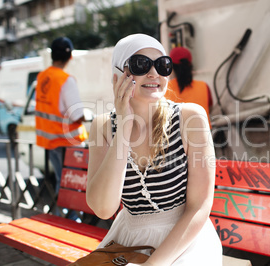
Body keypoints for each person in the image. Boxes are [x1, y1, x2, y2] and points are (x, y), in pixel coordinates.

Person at [86, 34, 222, 265]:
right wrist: (125, 125)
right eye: (141, 64)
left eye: (162, 65)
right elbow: (104, 209)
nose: (154, 74)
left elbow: (199, 207)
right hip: (129, 237)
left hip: (185, 241)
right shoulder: (103, 126)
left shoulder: (190, 117)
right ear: (118, 75)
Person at [35, 37, 87, 194]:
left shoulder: (42, 76)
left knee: (61, 181)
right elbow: (77, 114)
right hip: (69, 143)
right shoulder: (65, 80)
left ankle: (62, 215)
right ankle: (68, 217)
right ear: (70, 56)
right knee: (72, 186)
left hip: (51, 142)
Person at [165, 46, 213, 127]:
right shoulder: (204, 86)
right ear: (190, 64)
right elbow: (210, 109)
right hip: (204, 135)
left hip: (176, 137)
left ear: (172, 67)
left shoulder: (165, 89)